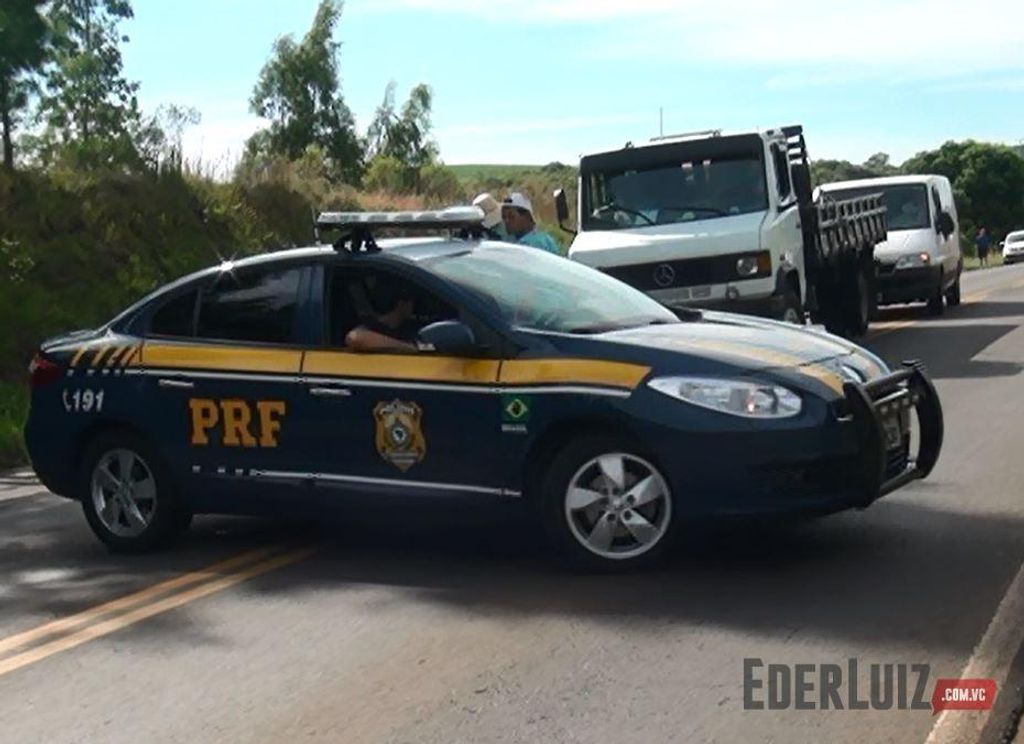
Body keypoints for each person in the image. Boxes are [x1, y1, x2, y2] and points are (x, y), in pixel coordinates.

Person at [345, 279, 421, 353]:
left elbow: (427, 347)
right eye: (412, 302)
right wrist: (407, 347)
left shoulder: (410, 327)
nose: (413, 306)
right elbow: (354, 338)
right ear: (401, 304)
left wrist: (418, 347)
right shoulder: (373, 326)